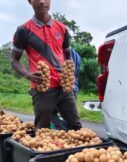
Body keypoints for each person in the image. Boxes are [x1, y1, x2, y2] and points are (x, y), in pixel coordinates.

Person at [11, 0, 82, 130]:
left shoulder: (62, 28)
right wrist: (28, 75)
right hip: (42, 88)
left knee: (76, 127)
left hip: (64, 87)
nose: (42, 1)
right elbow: (14, 61)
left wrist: (69, 75)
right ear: (30, 1)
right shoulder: (23, 30)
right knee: (43, 130)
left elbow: (68, 56)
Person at [51, 47, 81, 130]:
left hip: (61, 88)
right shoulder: (77, 55)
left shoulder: (59, 52)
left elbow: (59, 72)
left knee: (50, 112)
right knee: (70, 117)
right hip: (73, 87)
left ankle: (62, 132)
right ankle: (70, 134)